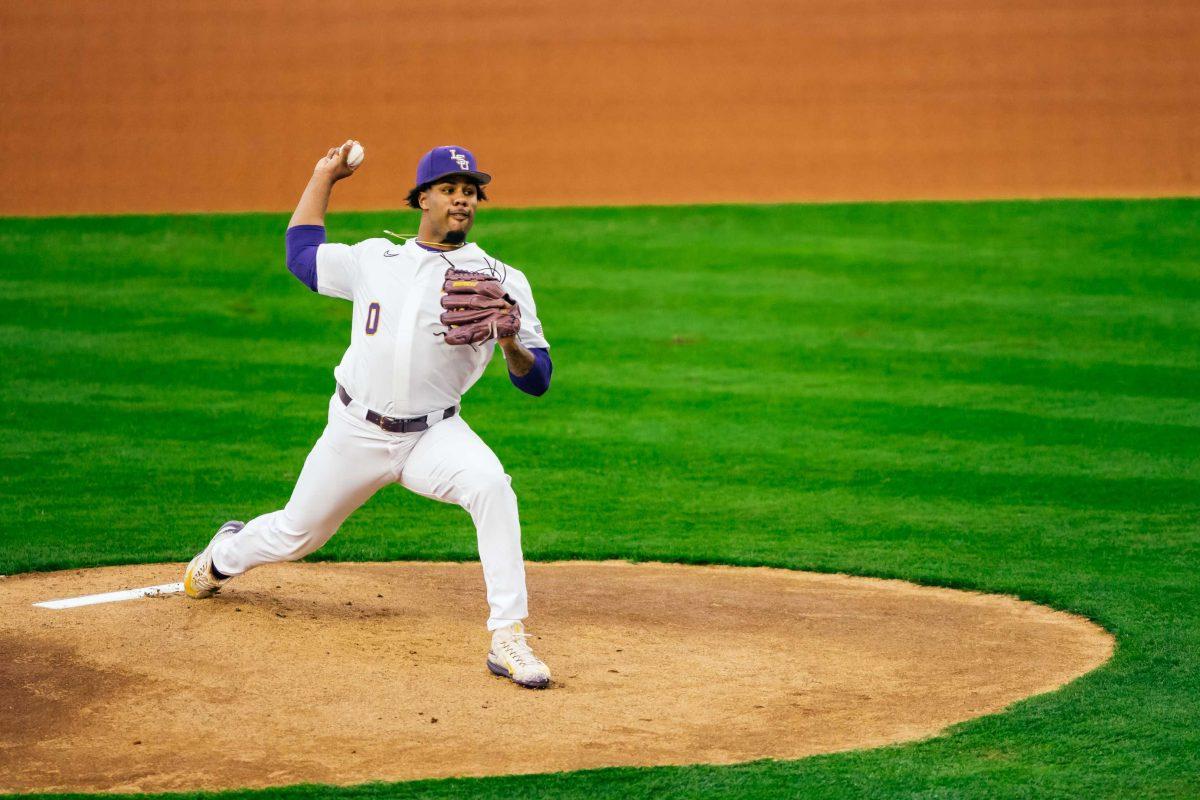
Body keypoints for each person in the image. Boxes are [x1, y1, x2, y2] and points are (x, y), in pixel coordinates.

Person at [183, 142, 555, 689]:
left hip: (435, 434)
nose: (462, 200)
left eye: (471, 192)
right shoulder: (375, 258)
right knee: (296, 534)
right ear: (422, 198)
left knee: (491, 486)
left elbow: (537, 380)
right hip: (355, 431)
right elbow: (301, 255)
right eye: (450, 189)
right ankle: (222, 556)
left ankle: (508, 637)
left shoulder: (502, 279)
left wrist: (509, 342)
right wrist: (323, 177)